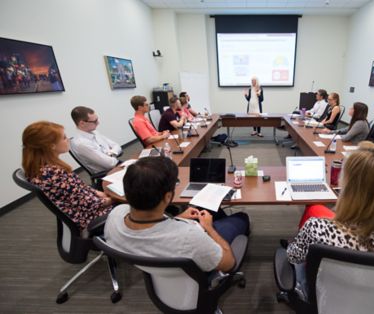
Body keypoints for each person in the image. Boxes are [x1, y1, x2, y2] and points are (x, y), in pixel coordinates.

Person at [286, 145, 374, 297]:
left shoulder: (319, 228)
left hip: (328, 298)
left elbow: (293, 256)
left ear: (349, 188)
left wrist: (297, 244)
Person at [104, 156, 250, 273]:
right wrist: (209, 228)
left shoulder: (116, 214)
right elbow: (229, 264)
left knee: (205, 208)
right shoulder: (190, 237)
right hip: (196, 277)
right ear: (168, 197)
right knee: (241, 218)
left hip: (155, 262)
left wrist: (178, 218)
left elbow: (151, 230)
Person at [22, 121, 113, 230]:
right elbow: (92, 205)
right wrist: (115, 198)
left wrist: (101, 194)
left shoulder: (41, 168)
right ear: (52, 146)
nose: (68, 139)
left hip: (81, 211)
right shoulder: (54, 173)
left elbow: (79, 190)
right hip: (92, 218)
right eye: (64, 138)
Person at [70, 106, 122, 173]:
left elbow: (116, 145)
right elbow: (110, 164)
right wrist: (113, 153)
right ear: (82, 123)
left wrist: (110, 153)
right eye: (95, 121)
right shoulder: (81, 144)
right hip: (107, 173)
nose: (98, 123)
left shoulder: (94, 132)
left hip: (115, 165)